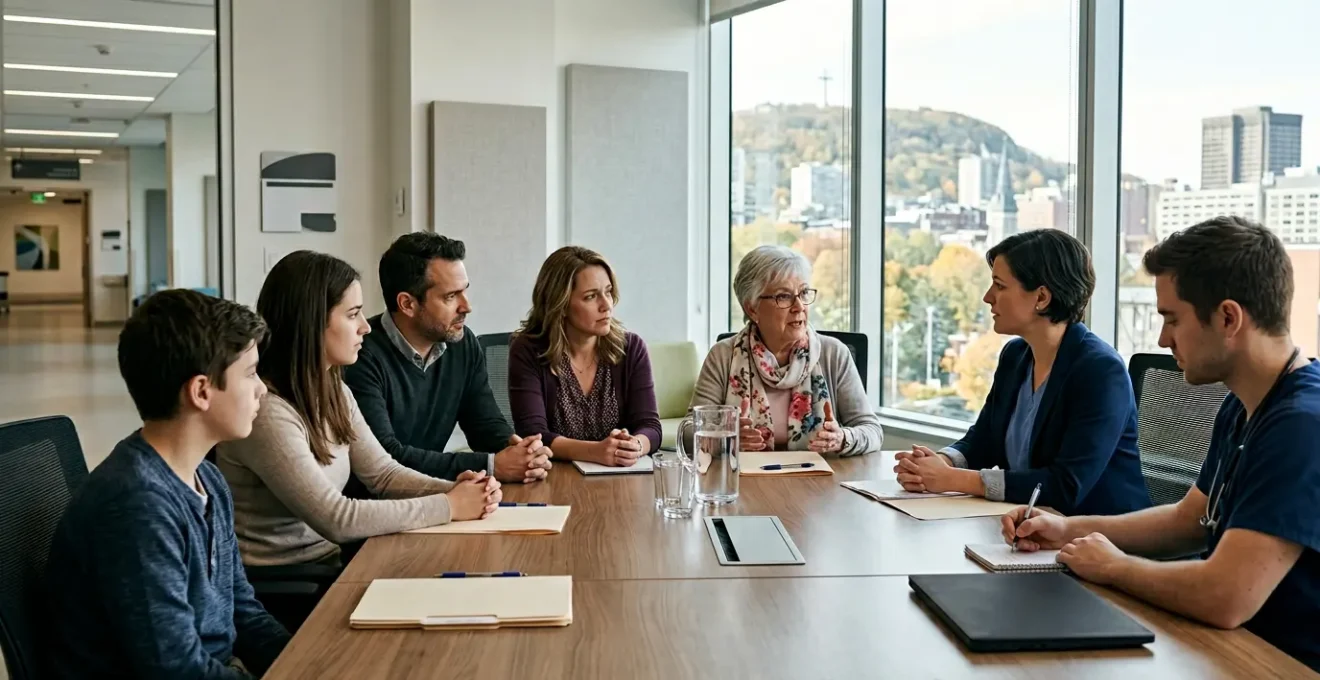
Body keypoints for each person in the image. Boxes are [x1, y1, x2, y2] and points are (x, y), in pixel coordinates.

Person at [1004, 217, 1320, 672]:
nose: (1161, 338)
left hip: (1280, 661)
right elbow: (1188, 521)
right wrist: (1065, 530)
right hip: (1225, 647)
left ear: (1228, 318)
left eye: (1172, 319)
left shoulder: (1301, 426)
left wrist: (1114, 567)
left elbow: (1225, 596)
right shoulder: (1244, 405)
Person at [43, 290, 289, 679]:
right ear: (201, 391)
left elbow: (243, 610)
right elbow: (176, 670)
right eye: (250, 373)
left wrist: (311, 660)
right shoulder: (137, 504)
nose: (262, 388)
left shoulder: (207, 477)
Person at [217, 251, 502, 572]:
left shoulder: (334, 390)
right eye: (353, 314)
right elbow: (336, 518)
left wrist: (458, 489)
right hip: (290, 582)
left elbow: (383, 474)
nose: (366, 327)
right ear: (312, 322)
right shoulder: (267, 412)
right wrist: (449, 505)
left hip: (334, 561)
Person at [893, 229, 1150, 516]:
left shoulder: (1100, 371)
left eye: (1000, 286)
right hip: (1028, 526)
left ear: (1041, 297)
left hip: (1099, 539)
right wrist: (941, 462)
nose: (987, 297)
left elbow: (1065, 486)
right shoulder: (1015, 356)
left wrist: (953, 480)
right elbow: (984, 439)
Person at [343, 232, 550, 483]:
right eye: (450, 296)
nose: (467, 306)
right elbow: (386, 456)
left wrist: (517, 449)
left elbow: (483, 424)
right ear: (407, 304)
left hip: (432, 494)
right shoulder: (359, 355)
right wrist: (492, 465)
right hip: (377, 506)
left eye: (464, 291)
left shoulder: (462, 343)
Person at [691, 245, 883, 455]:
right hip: (747, 481)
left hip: (819, 482)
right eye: (783, 296)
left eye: (803, 293)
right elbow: (690, 431)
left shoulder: (833, 353)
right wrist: (727, 437)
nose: (799, 306)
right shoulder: (723, 355)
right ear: (752, 308)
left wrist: (842, 438)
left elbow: (872, 431)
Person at [508, 246, 662, 466]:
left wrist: (634, 446)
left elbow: (650, 426)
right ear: (560, 305)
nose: (606, 305)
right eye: (591, 297)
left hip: (620, 478)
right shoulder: (528, 350)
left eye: (608, 292)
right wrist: (595, 452)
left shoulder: (631, 348)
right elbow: (533, 434)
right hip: (553, 476)